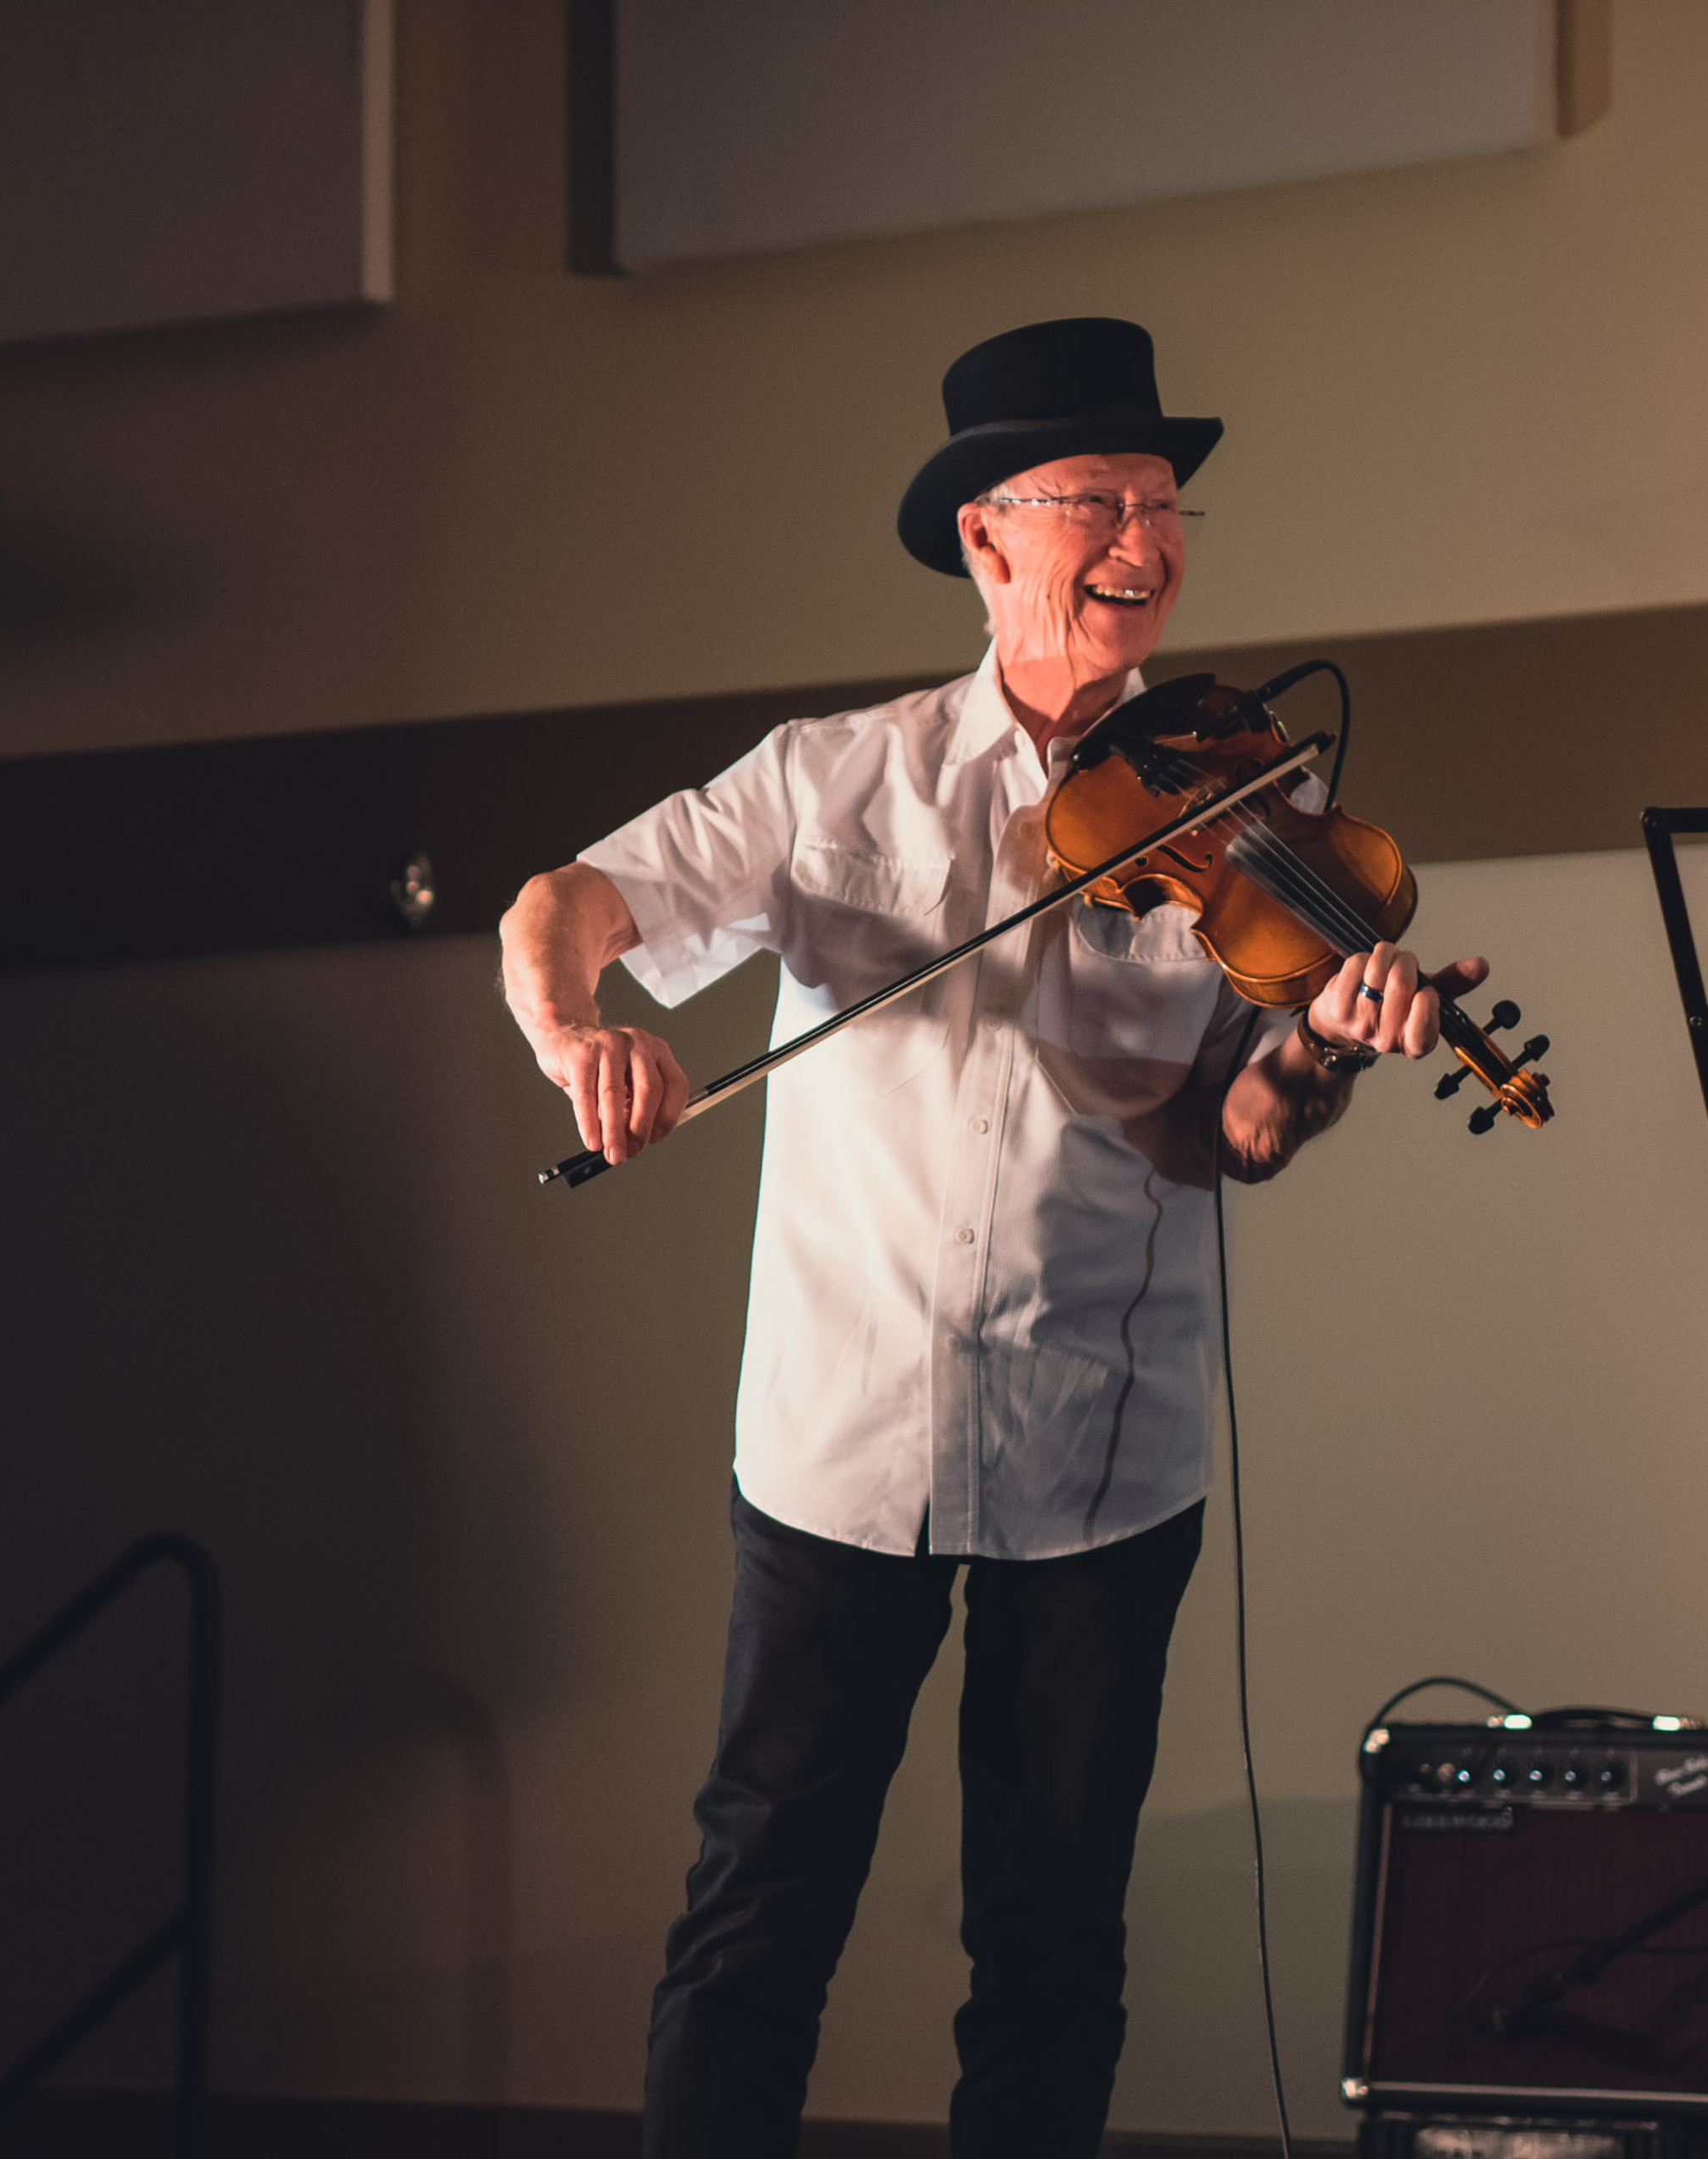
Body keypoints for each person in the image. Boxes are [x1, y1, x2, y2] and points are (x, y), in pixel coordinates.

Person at [498, 317, 1481, 2159]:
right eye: (1097, 500)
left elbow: (1228, 1140)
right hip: (837, 1440)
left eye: (1162, 503)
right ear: (985, 537)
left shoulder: (1241, 814)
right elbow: (565, 903)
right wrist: (579, 1030)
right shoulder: (829, 781)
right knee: (754, 1918)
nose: (1145, 537)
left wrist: (1313, 1056)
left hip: (1099, 1451)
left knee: (1049, 1946)